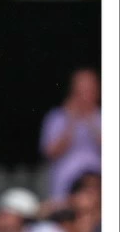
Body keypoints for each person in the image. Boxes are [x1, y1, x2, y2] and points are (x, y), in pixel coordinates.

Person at [40, 68, 101, 201]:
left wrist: (90, 121)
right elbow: (50, 152)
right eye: (80, 91)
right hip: (64, 190)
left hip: (97, 190)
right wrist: (70, 122)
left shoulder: (102, 117)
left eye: (89, 90)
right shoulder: (56, 117)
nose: (84, 96)